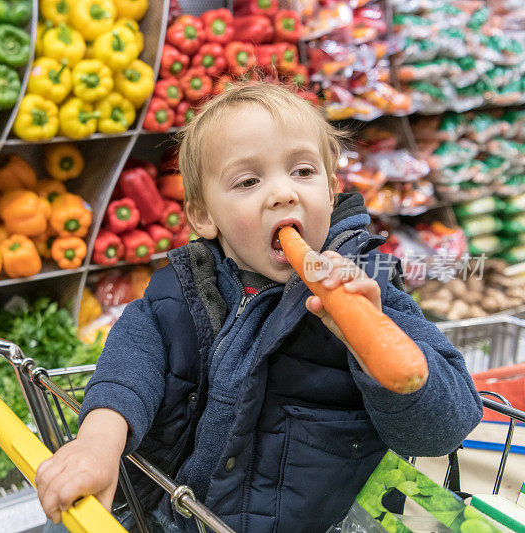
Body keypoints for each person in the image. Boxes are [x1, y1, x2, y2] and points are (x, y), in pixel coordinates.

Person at [35, 82, 483, 533]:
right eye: (248, 181)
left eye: (303, 172)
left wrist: (369, 338)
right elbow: (131, 362)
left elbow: (443, 429)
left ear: (331, 190)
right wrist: (97, 444)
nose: (283, 193)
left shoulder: (367, 290)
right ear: (204, 216)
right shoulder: (184, 290)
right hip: (172, 513)